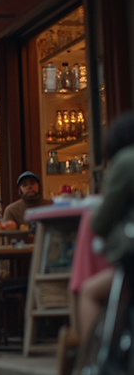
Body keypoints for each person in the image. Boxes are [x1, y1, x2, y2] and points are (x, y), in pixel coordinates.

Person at [79, 113, 134, 337]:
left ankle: (93, 364)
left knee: (89, 292)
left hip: (130, 263)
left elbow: (101, 223)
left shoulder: (126, 161)